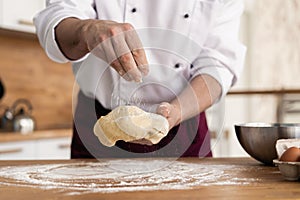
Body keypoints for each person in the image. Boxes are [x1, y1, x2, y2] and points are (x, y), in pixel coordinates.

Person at [34, 0, 246, 158]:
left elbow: (218, 64)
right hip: (99, 121)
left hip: (183, 120)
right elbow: (59, 16)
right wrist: (87, 30)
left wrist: (175, 112)